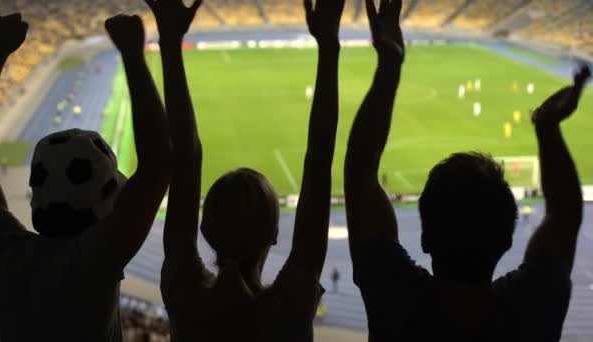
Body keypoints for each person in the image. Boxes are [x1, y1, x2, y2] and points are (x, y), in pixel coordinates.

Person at [344, 0, 589, 340]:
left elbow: (358, 175)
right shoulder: (535, 307)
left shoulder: (396, 299)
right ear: (507, 241)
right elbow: (565, 216)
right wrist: (546, 127)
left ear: (426, 239)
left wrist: (389, 69)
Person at [145, 0, 343, 340]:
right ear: (276, 235)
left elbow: (186, 159)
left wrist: (169, 41)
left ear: (204, 230)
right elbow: (320, 158)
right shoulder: (288, 308)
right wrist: (328, 44)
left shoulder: (186, 294)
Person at [0, 14, 171, 341]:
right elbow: (158, 165)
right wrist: (132, 54)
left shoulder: (4, 253)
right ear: (102, 207)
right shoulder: (92, 266)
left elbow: (157, 165)